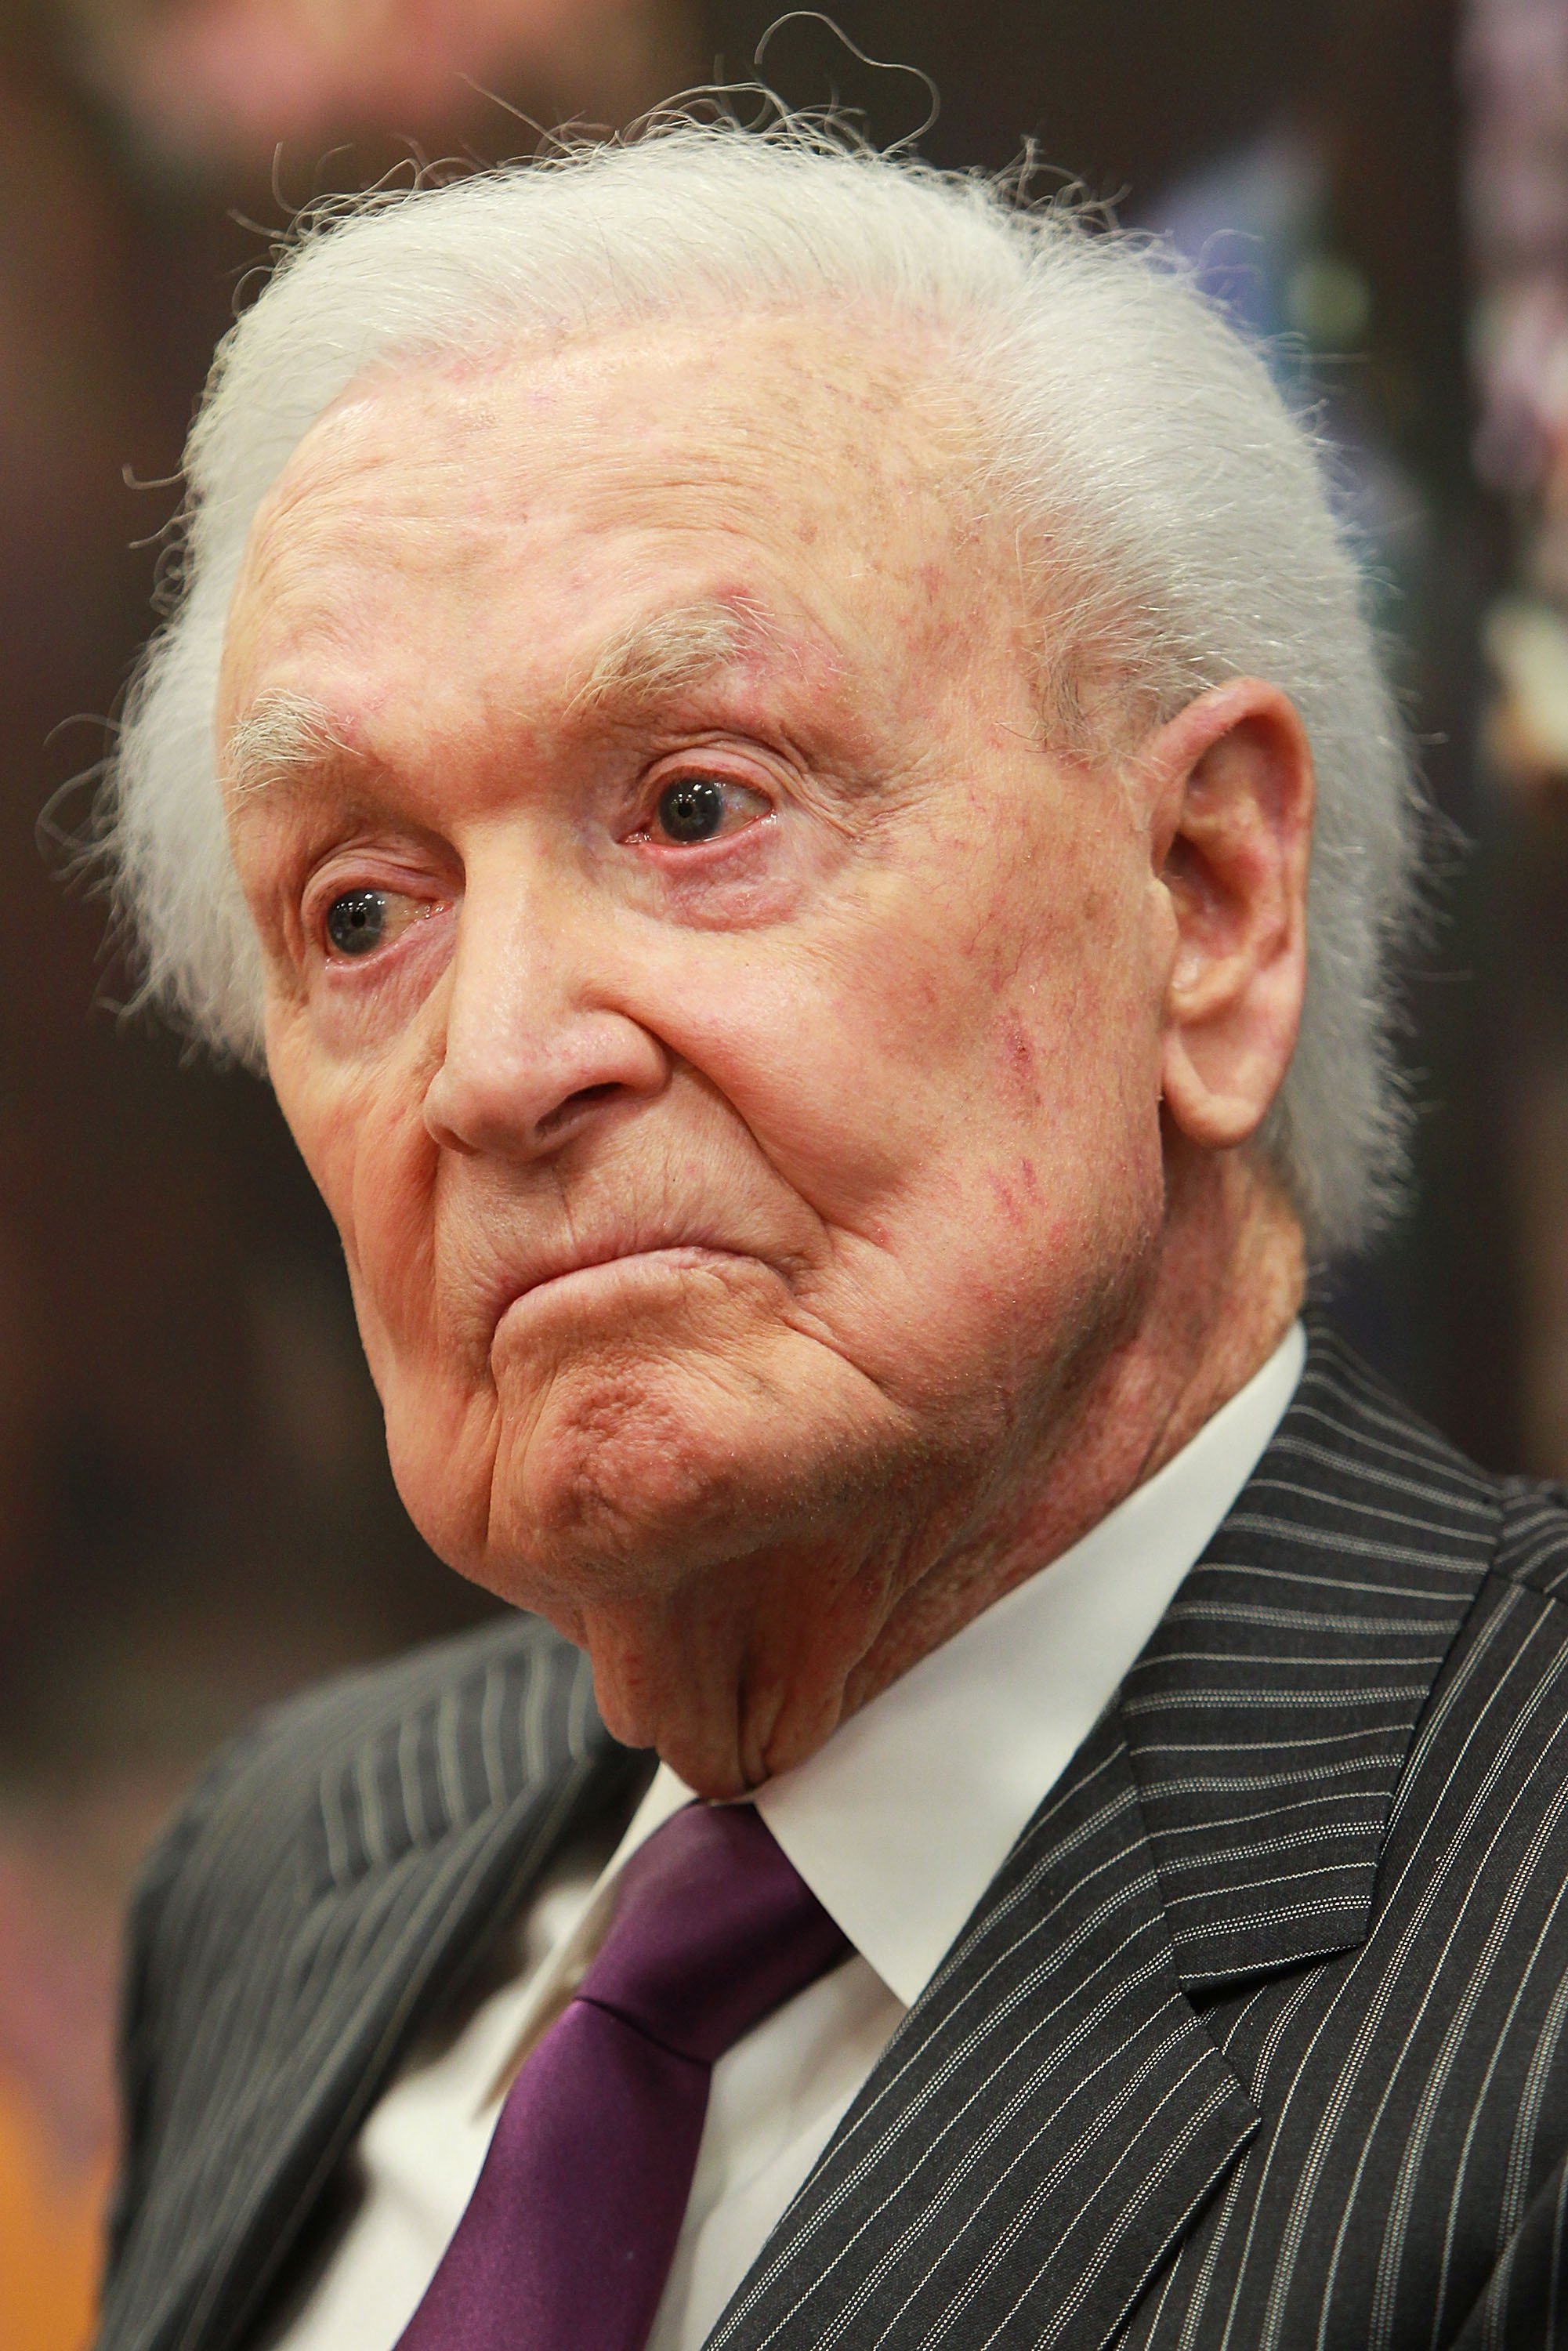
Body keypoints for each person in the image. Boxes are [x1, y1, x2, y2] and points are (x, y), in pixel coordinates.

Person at [89, 118, 1568, 2351]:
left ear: (1204, 902)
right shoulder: (294, 1859)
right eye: (363, 911)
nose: (499, 1062)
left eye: (698, 809)